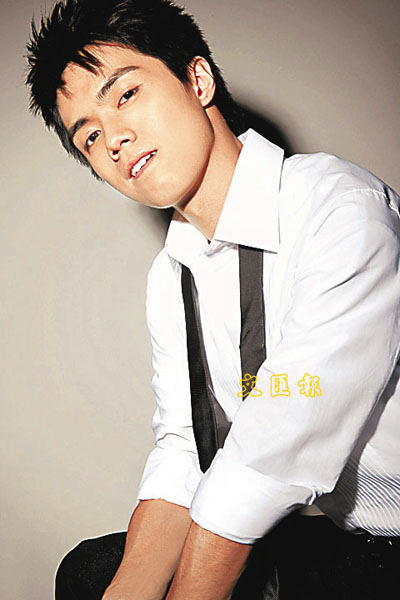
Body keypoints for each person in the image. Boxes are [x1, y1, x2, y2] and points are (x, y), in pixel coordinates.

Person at [25, 0, 400, 598]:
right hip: (341, 536)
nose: (114, 139)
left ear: (197, 80)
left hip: (390, 542)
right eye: (90, 136)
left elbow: (280, 437)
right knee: (91, 572)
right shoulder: (172, 275)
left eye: (126, 95)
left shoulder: (339, 212)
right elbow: (186, 447)